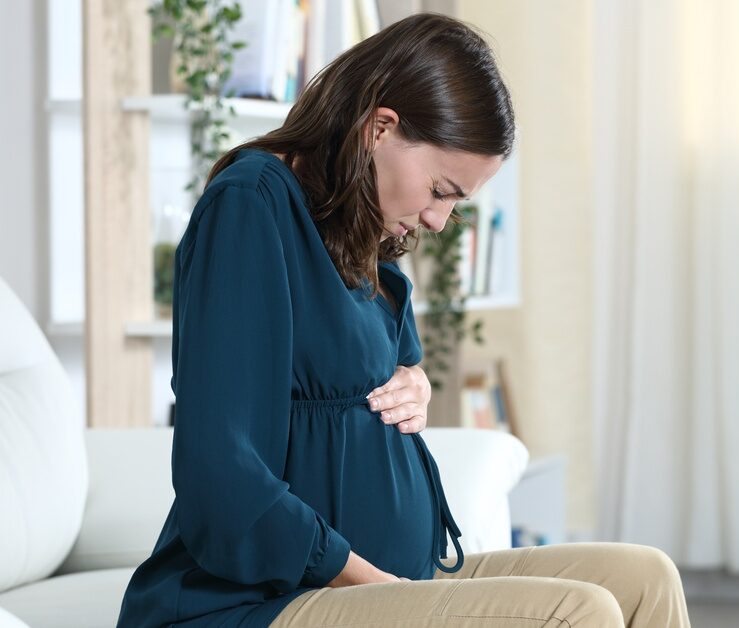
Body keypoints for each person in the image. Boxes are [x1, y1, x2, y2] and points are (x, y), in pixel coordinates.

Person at [116, 12, 691, 628]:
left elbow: (387, 352)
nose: (441, 221)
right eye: (441, 190)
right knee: (579, 613)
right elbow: (221, 476)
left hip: (392, 577)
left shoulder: (349, 222)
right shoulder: (251, 206)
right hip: (263, 601)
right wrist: (378, 585)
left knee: (645, 576)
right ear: (380, 128)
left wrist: (414, 378)